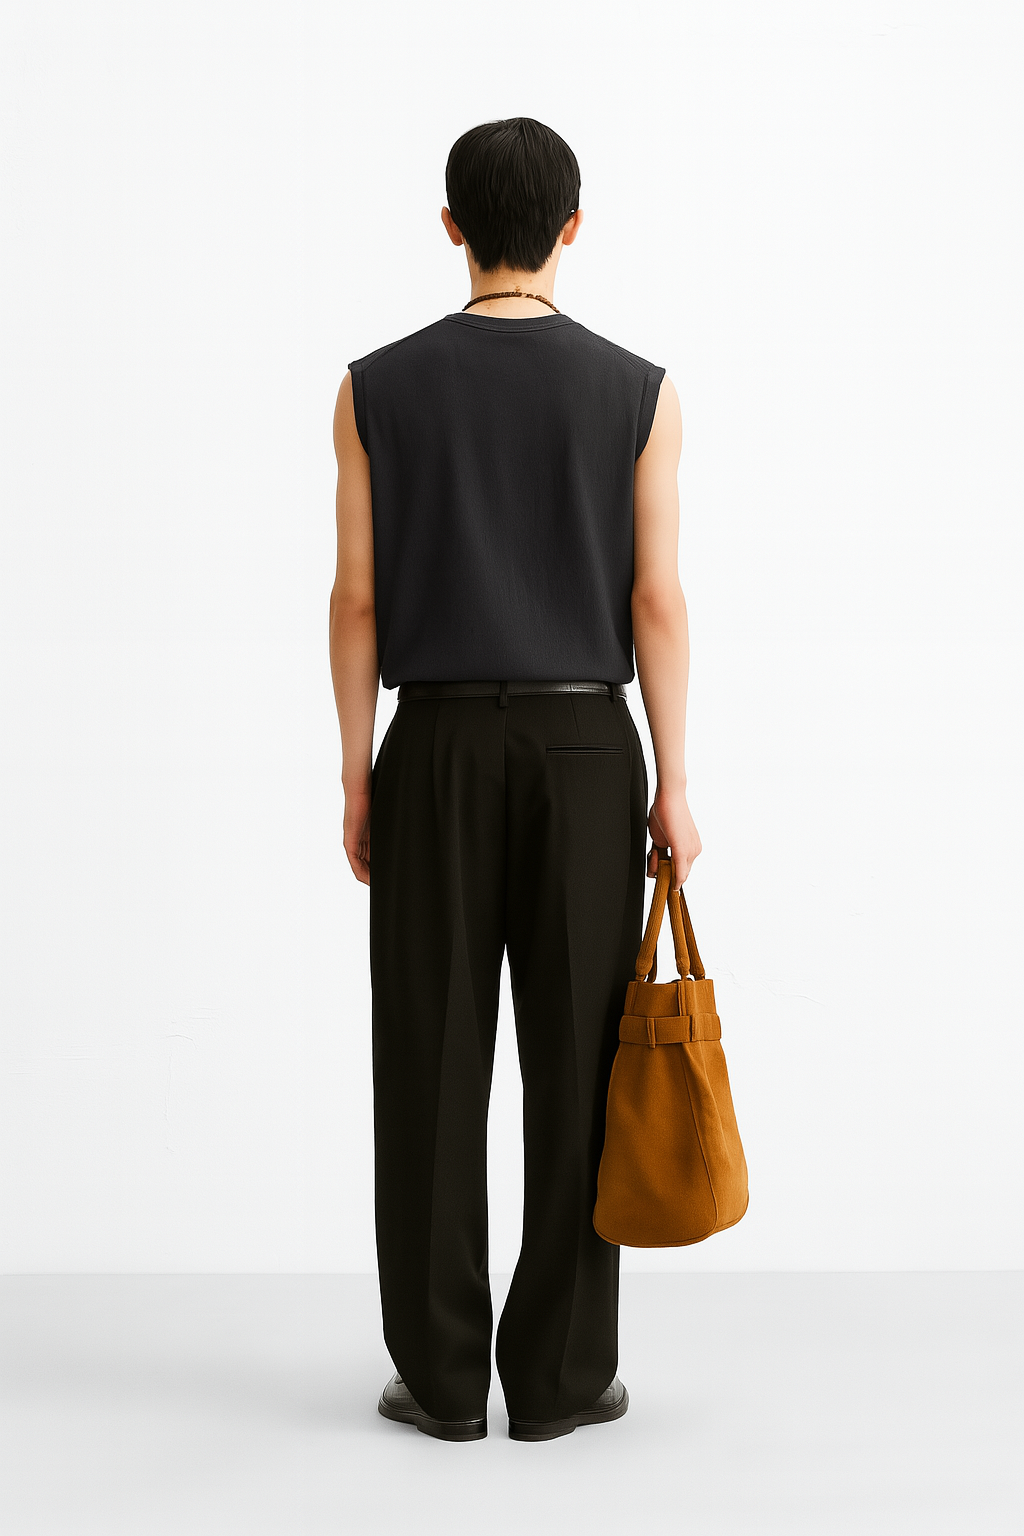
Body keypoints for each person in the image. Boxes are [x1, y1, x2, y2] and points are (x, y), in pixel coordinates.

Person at [329, 117, 701, 1443]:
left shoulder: (372, 389)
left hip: (431, 743)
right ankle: (557, 1379)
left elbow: (357, 599)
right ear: (572, 229)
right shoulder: (640, 392)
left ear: (452, 229)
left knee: (428, 1058)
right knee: (578, 1060)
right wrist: (674, 779)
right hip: (588, 751)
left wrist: (357, 775)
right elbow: (655, 601)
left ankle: (441, 1382)